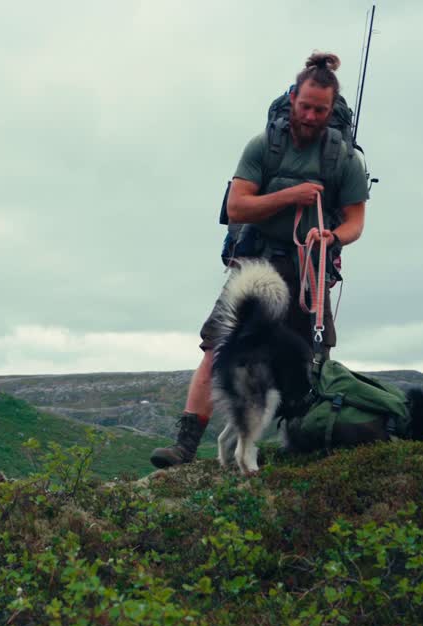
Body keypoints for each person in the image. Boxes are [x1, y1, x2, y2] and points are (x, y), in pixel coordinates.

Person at [150, 51, 371, 469]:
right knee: (219, 347)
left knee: (308, 360)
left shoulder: (345, 159)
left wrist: (331, 236)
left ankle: (299, 447)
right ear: (293, 100)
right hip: (256, 262)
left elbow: (356, 222)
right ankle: (185, 445)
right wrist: (292, 195)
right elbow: (237, 207)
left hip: (310, 268)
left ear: (331, 110)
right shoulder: (263, 145)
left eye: (319, 110)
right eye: (305, 106)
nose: (310, 116)